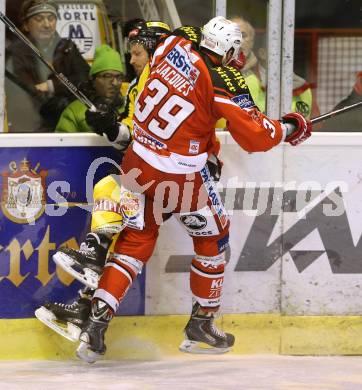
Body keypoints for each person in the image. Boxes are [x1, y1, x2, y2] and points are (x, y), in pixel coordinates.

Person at [53, 16, 311, 363]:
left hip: (138, 161)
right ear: (229, 49)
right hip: (177, 178)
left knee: (136, 241)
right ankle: (202, 321)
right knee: (215, 235)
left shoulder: (175, 43)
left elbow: (168, 55)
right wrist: (290, 127)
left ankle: (96, 325)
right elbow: (256, 136)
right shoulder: (223, 77)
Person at [35, 21, 172, 341]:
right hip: (147, 172)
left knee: (109, 191)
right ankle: (86, 307)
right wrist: (111, 127)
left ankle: (93, 264)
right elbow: (132, 134)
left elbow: (166, 135)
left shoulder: (166, 82)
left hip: (166, 178)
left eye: (137, 53)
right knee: (119, 238)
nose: (132, 61)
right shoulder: (140, 84)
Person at [5, 0, 90, 132]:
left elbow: (84, 79)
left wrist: (52, 85)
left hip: (66, 125)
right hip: (28, 128)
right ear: (26, 25)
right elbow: (21, 90)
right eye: (39, 19)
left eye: (51, 18)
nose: (46, 25)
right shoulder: (16, 53)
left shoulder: (67, 48)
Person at [232, 17, 319, 120]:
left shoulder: (301, 87)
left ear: (252, 41)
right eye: (232, 35)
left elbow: (313, 125)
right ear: (262, 53)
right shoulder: (217, 70)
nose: (238, 40)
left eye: (243, 35)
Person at [55, 44, 125, 134]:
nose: (115, 83)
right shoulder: (74, 112)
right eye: (107, 76)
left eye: (119, 77)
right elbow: (63, 145)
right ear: (93, 79)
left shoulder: (130, 109)